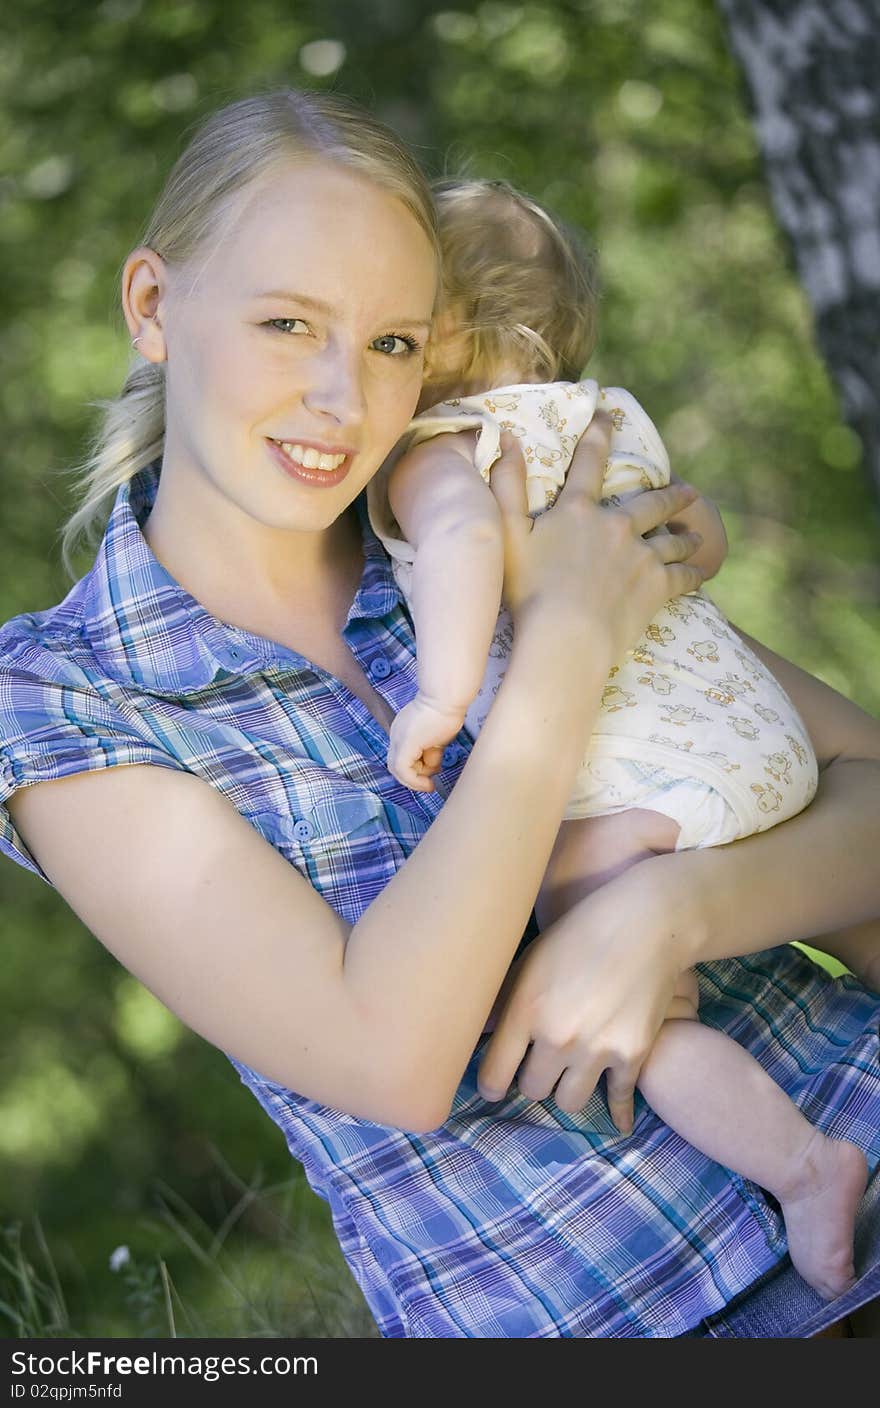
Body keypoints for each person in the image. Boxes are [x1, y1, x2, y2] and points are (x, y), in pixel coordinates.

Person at [1, 90, 879, 1340]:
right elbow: (391, 1056)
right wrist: (563, 649)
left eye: (393, 343)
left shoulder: (474, 508)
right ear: (153, 306)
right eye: (286, 322)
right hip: (604, 1313)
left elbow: (863, 788)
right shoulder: (66, 700)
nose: (340, 398)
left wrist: (664, 912)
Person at [365, 177, 876, 1299]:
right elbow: (692, 528)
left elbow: (457, 551)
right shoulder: (604, 416)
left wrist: (441, 697)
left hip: (635, 767)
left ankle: (801, 1169)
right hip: (748, 731)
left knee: (593, 984)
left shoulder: (437, 446)